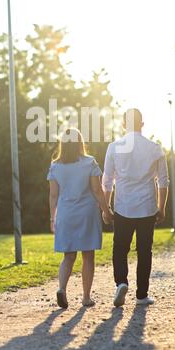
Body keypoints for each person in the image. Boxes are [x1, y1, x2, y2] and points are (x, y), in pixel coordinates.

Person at [102, 108, 169, 307]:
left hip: (123, 207)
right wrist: (161, 207)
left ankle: (121, 282)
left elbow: (107, 182)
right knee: (144, 251)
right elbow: (163, 182)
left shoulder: (114, 147)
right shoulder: (155, 148)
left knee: (120, 248)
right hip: (147, 207)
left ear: (123, 124)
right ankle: (141, 295)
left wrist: (106, 208)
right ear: (142, 124)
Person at [47, 128, 113, 309]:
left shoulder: (55, 166)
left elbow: (53, 196)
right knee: (88, 256)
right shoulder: (89, 163)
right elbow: (98, 191)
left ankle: (62, 288)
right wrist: (106, 211)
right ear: (80, 143)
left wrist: (53, 219)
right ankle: (85, 297)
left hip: (65, 214)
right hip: (87, 214)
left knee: (68, 256)